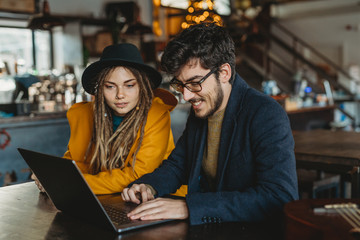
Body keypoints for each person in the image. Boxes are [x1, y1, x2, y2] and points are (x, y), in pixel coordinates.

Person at [121, 23, 298, 225]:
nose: (186, 96)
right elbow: (179, 165)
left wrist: (190, 206)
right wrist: (148, 186)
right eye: (180, 84)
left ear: (224, 73)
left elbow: (279, 197)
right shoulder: (202, 110)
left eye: (195, 83)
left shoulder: (265, 113)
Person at [32, 43, 186, 196]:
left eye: (130, 85)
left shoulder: (157, 115)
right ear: (100, 89)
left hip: (157, 199)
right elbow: (78, 163)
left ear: (143, 86)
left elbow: (138, 175)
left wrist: (70, 184)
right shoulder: (85, 115)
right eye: (110, 86)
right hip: (106, 198)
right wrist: (51, 177)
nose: (120, 94)